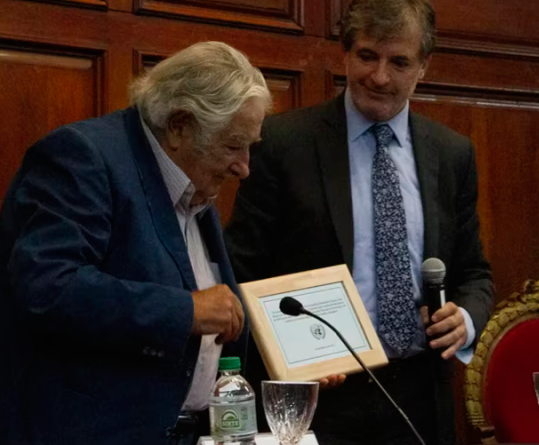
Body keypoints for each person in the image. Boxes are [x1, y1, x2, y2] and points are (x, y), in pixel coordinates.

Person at [223, 0, 494, 443]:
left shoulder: (452, 154)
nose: (380, 76)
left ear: (423, 67)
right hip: (318, 396)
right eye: (367, 56)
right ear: (345, 54)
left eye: (399, 62)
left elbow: (474, 272)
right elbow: (242, 271)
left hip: (420, 394)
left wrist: (465, 316)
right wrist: (287, 353)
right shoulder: (283, 143)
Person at [0, 41, 271, 445]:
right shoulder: (82, 157)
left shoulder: (194, 184)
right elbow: (46, 287)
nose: (244, 167)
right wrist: (186, 310)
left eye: (249, 146)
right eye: (233, 145)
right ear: (179, 126)